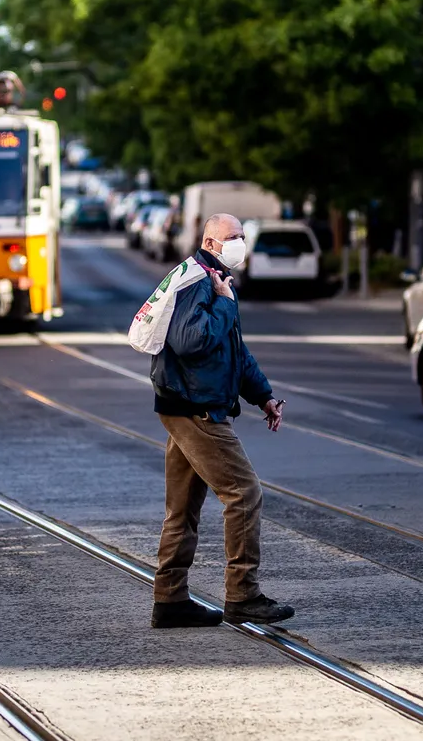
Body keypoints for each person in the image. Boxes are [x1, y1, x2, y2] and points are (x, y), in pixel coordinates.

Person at [148, 213, 293, 629]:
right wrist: (226, 305)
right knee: (244, 493)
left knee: (182, 510)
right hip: (196, 408)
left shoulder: (218, 279)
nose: (240, 243)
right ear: (210, 242)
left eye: (243, 236)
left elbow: (234, 351)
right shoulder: (198, 281)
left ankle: (170, 599)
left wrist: (263, 396)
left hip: (187, 404)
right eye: (232, 237)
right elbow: (192, 341)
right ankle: (243, 594)